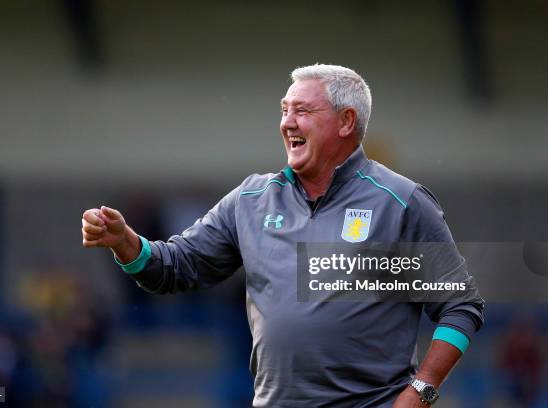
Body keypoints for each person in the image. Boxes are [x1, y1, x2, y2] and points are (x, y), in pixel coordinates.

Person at [82, 64, 485, 407]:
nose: (287, 122)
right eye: (284, 110)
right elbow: (174, 268)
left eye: (303, 111)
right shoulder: (253, 200)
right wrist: (125, 242)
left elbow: (460, 308)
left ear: (346, 122)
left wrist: (420, 394)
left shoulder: (399, 202)